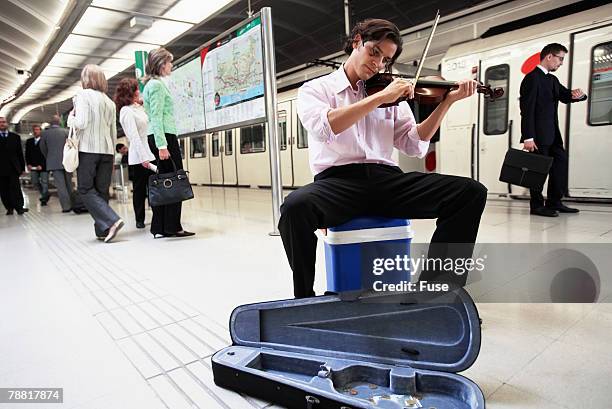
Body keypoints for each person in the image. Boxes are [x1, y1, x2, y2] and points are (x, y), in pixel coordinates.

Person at [279, 18, 486, 298]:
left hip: (386, 181)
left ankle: (436, 291)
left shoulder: (389, 94)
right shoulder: (317, 89)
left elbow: (413, 144)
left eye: (385, 59)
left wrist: (445, 103)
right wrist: (380, 98)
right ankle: (303, 297)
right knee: (294, 207)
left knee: (470, 192)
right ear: (357, 43)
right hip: (338, 183)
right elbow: (327, 126)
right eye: (374, 52)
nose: (378, 64)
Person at [520, 43, 586, 217]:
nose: (561, 63)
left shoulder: (552, 80)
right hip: (537, 136)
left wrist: (579, 95)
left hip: (553, 134)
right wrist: (528, 137)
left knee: (560, 164)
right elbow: (527, 110)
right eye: (560, 59)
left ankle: (554, 202)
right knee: (537, 170)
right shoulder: (532, 78)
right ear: (549, 56)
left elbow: (565, 95)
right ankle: (536, 206)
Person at [68, 64, 124, 242]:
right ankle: (103, 230)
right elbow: (113, 131)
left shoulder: (82, 95)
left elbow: (82, 122)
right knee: (101, 191)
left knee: (84, 189)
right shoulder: (109, 102)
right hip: (107, 151)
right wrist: (112, 153)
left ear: (86, 79)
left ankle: (112, 220)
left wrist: (70, 118)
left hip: (88, 150)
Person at [142, 47, 194, 238]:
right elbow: (156, 116)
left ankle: (161, 226)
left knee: (166, 182)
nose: (171, 65)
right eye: (169, 62)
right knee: (173, 181)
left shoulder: (153, 85)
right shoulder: (156, 86)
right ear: (161, 64)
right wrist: (162, 146)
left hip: (161, 136)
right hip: (163, 137)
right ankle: (172, 226)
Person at [114, 77, 156, 229]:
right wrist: (144, 157)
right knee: (139, 189)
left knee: (154, 187)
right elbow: (133, 137)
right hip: (139, 157)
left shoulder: (139, 107)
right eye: (136, 89)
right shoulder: (126, 111)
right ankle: (140, 219)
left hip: (151, 153)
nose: (139, 91)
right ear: (128, 93)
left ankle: (157, 214)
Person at [40, 115, 74, 212]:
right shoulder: (66, 132)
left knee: (60, 185)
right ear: (59, 122)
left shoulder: (45, 134)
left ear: (50, 123)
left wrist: (49, 156)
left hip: (54, 163)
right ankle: (74, 203)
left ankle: (66, 207)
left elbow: (43, 148)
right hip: (67, 161)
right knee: (69, 184)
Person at [0, 116, 28, 215]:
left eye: (3, 122)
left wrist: (22, 167)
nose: (2, 124)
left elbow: (20, 153)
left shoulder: (15, 137)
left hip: (13, 167)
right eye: (0, 122)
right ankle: (9, 207)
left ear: (7, 124)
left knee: (15, 188)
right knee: (3, 189)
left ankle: (19, 207)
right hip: (1, 169)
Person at [25, 124, 49, 206]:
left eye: (37, 130)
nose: (36, 131)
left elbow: (46, 154)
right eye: (34, 130)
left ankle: (44, 198)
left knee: (44, 182)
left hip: (43, 166)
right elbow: (27, 154)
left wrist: (42, 165)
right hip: (33, 166)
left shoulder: (44, 141)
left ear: (40, 131)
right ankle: (45, 194)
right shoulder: (29, 142)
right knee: (35, 182)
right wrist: (28, 164)